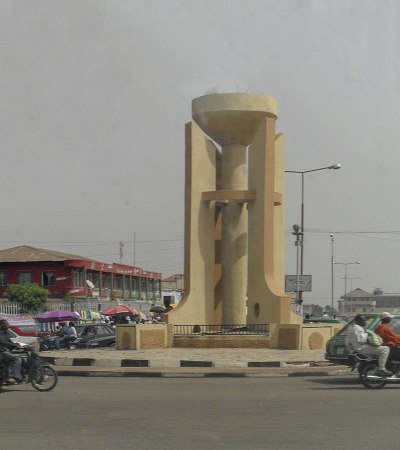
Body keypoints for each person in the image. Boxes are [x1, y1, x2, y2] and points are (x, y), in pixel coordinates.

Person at [0, 319, 23, 384]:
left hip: (8, 351)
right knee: (17, 359)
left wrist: (22, 343)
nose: (8, 325)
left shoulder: (8, 332)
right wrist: (14, 345)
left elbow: (15, 339)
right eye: (6, 324)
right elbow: (3, 342)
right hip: (3, 352)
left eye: (7, 324)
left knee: (22, 358)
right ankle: (14, 377)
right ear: (1, 325)